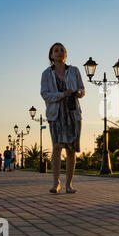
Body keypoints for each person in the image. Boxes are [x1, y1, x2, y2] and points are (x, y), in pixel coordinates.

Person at [41, 42, 85, 194]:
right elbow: (44, 93)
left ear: (66, 54)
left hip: (73, 113)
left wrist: (78, 93)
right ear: (51, 55)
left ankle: (69, 184)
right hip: (56, 114)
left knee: (71, 150)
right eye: (56, 50)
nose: (59, 52)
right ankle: (56, 183)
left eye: (62, 50)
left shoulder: (74, 71)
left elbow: (82, 89)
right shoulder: (46, 74)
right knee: (57, 146)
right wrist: (62, 94)